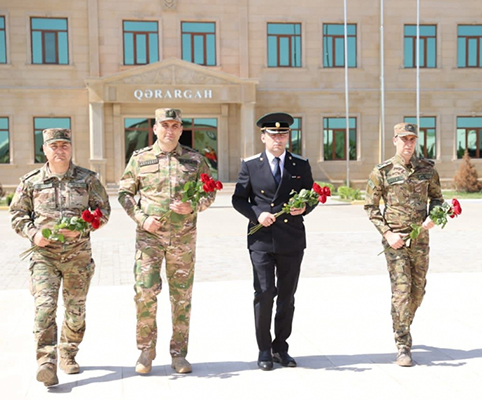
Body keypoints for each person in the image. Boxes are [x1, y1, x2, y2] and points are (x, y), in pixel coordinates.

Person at [10, 128, 111, 387]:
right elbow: (18, 214)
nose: (59, 150)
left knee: (76, 311)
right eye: (53, 146)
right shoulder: (31, 181)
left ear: (71, 148)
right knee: (44, 308)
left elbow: (103, 211)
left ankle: (68, 352)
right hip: (44, 257)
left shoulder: (88, 179)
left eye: (64, 145)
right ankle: (46, 362)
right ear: (44, 150)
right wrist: (33, 234)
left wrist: (82, 227)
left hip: (78, 257)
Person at [118, 108, 215, 375]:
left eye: (175, 126)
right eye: (164, 125)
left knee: (181, 296)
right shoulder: (140, 159)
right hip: (149, 239)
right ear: (155, 129)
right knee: (145, 292)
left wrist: (194, 205)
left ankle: (179, 354)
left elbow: (210, 191)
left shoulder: (195, 159)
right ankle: (146, 351)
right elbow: (125, 194)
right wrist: (142, 219)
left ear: (181, 130)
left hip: (183, 239)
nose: (169, 130)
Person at [232, 112, 315, 371]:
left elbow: (311, 195)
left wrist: (305, 208)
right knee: (265, 293)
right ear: (263, 137)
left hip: (291, 239)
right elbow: (238, 199)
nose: (278, 139)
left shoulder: (299, 164)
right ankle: (264, 349)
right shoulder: (250, 165)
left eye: (283, 135)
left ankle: (281, 348)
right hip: (262, 240)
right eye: (273, 135)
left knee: (287, 296)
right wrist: (257, 214)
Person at [364, 122, 444, 367]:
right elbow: (370, 207)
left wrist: (434, 216)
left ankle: (403, 323)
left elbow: (437, 199)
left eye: (412, 139)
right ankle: (403, 345)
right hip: (396, 242)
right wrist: (388, 234)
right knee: (401, 291)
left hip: (420, 240)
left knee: (417, 292)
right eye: (403, 139)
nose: (408, 144)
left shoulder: (427, 169)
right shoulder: (383, 171)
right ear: (394, 141)